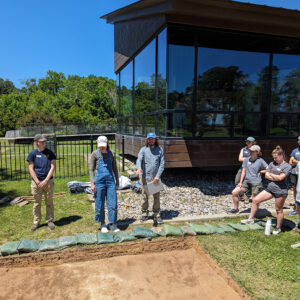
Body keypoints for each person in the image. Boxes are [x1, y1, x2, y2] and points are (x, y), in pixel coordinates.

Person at [241, 146, 292, 235]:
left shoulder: (287, 166)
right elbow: (266, 175)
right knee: (255, 200)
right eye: (273, 157)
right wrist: (274, 176)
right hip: (270, 188)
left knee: (278, 209)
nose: (274, 159)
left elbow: (281, 178)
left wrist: (272, 176)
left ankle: (278, 227)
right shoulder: (272, 163)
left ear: (281, 156)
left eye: (276, 157)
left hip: (281, 191)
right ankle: (251, 219)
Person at [90, 136, 120, 232]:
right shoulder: (94, 154)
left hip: (111, 182)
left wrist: (117, 182)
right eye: (100, 146)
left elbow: (115, 168)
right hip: (99, 182)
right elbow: (91, 170)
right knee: (99, 203)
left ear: (107, 144)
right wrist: (92, 183)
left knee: (113, 203)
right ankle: (102, 224)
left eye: (103, 146)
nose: (102, 148)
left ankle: (112, 224)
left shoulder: (112, 154)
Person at [27, 134, 56, 231]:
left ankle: (50, 220)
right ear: (36, 142)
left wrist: (46, 180)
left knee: (49, 202)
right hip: (36, 183)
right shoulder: (32, 154)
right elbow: (31, 168)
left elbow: (52, 166)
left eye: (44, 141)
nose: (44, 142)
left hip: (48, 181)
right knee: (37, 203)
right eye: (41, 141)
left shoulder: (50, 153)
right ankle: (36, 222)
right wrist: (37, 181)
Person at [228, 145, 267, 214]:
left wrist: (261, 171)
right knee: (234, 192)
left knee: (255, 199)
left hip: (256, 183)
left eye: (252, 151)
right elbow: (243, 171)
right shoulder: (246, 160)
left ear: (257, 152)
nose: (250, 152)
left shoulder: (260, 160)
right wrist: (240, 182)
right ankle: (235, 209)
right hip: (246, 182)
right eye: (250, 150)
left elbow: (269, 169)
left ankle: (254, 213)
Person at [136, 132, 165, 224]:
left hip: (155, 178)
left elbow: (162, 164)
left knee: (156, 197)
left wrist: (157, 176)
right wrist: (139, 168)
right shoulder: (143, 150)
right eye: (149, 139)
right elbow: (139, 159)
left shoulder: (160, 150)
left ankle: (156, 214)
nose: (151, 140)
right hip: (145, 178)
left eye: (152, 139)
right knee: (145, 197)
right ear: (147, 140)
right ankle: (144, 213)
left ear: (155, 139)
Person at [288, 136, 300, 216]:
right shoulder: (295, 151)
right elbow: (290, 162)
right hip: (294, 173)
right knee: (295, 189)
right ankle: (296, 208)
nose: (299, 141)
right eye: (298, 139)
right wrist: (296, 161)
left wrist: (295, 161)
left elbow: (293, 161)